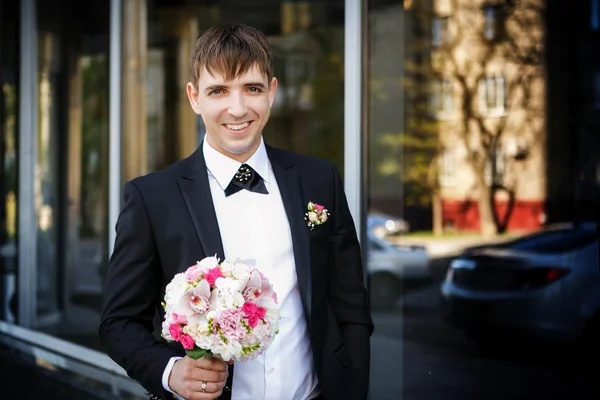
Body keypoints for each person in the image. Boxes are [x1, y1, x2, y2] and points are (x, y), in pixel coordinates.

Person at [99, 23, 373, 400]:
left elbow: (351, 304)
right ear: (194, 98)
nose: (238, 108)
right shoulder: (152, 197)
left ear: (272, 92)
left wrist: (353, 383)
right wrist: (170, 372)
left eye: (252, 88)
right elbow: (118, 323)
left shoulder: (318, 179)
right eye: (219, 91)